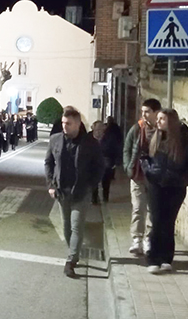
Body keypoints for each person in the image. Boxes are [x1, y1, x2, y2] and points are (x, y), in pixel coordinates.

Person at [44, 106, 104, 278]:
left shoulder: (90, 143)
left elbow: (99, 166)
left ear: (77, 124)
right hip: (62, 191)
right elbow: (48, 163)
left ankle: (71, 260)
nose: (65, 126)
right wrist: (51, 184)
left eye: (68, 123)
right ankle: (73, 251)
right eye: (63, 123)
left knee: (77, 225)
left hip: (81, 191)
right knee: (66, 226)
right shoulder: (55, 140)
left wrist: (91, 185)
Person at [141, 109, 188, 274]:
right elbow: (144, 157)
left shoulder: (185, 143)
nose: (158, 122)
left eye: (162, 119)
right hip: (155, 185)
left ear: (171, 122)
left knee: (168, 222)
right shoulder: (154, 138)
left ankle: (166, 258)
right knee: (157, 221)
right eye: (158, 118)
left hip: (175, 188)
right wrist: (149, 172)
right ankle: (153, 258)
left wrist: (182, 180)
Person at [123, 98, 161, 256]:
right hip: (138, 174)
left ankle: (149, 239)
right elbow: (127, 148)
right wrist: (128, 167)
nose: (144, 115)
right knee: (138, 207)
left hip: (154, 177)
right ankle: (137, 238)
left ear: (156, 112)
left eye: (147, 112)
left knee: (152, 208)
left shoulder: (162, 130)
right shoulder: (137, 129)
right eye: (142, 111)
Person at [93, 116, 123, 204]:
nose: (98, 131)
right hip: (93, 162)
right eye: (96, 129)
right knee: (94, 181)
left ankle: (105, 196)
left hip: (106, 161)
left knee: (106, 180)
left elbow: (116, 149)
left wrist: (116, 161)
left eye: (100, 129)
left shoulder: (110, 138)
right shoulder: (89, 138)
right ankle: (94, 198)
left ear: (104, 129)